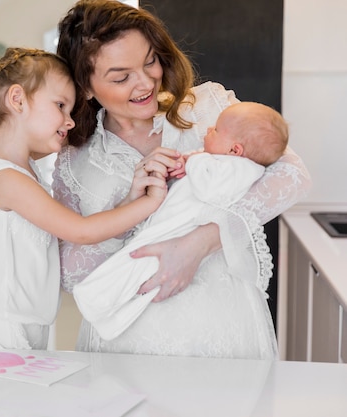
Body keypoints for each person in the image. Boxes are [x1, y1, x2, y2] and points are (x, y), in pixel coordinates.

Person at [53, 0, 311, 358]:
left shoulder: (211, 109)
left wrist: (198, 244)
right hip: (127, 347)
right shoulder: (75, 159)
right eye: (121, 76)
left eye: (149, 62)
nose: (145, 82)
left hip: (224, 333)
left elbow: (292, 175)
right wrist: (131, 208)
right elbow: (69, 274)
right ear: (85, 87)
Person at [0, 47, 168, 350]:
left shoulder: (19, 170)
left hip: (22, 323)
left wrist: (131, 197)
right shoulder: (6, 179)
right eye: (60, 106)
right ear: (17, 100)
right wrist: (149, 203)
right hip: (1, 330)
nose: (69, 121)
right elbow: (80, 231)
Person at [73, 101, 289, 342]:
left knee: (140, 276)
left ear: (235, 150)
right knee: (134, 274)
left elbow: (211, 189)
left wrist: (193, 161)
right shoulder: (221, 163)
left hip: (179, 236)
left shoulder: (240, 169)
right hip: (166, 231)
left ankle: (100, 305)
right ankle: (103, 309)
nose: (208, 131)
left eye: (216, 130)